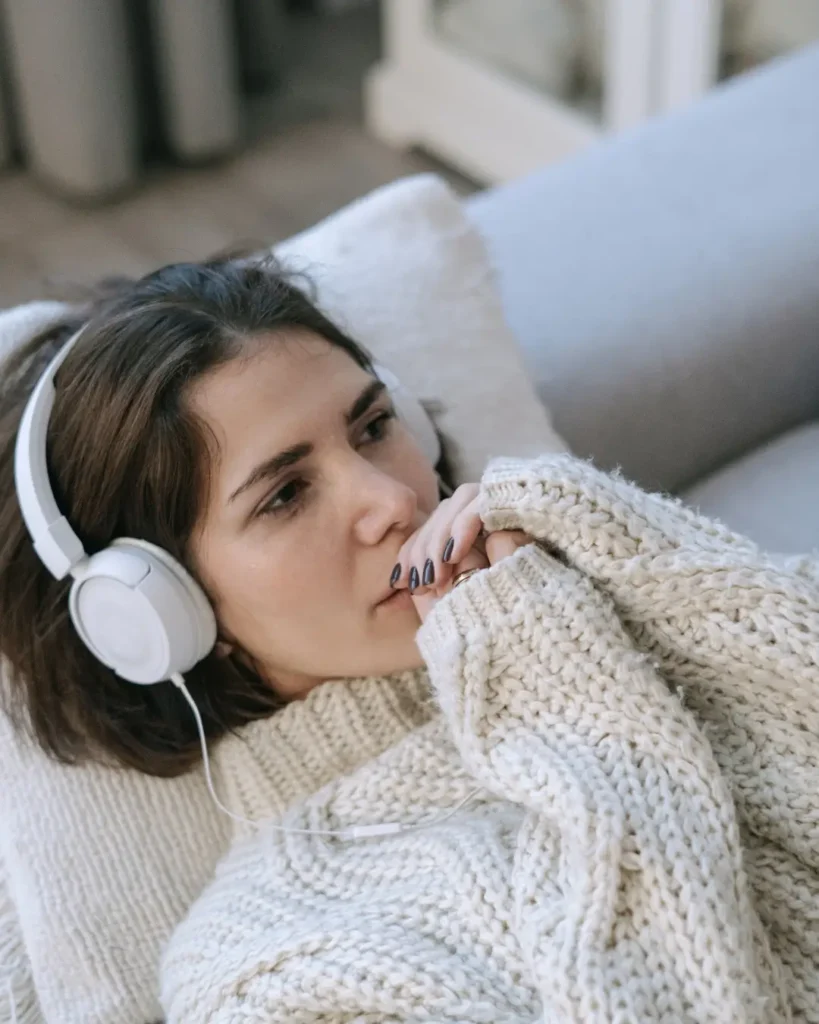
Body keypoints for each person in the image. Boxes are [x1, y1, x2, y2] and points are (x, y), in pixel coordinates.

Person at [1, 256, 816, 1023]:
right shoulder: (262, 972)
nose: (392, 498)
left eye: (372, 426)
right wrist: (557, 689)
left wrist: (634, 553)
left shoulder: (604, 609)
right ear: (162, 611)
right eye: (285, 494)